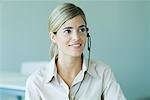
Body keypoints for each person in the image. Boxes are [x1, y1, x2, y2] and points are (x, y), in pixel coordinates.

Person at [25, 3, 126, 100]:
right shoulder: (36, 82)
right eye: (67, 31)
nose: (76, 37)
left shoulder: (102, 72)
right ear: (53, 37)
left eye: (81, 30)